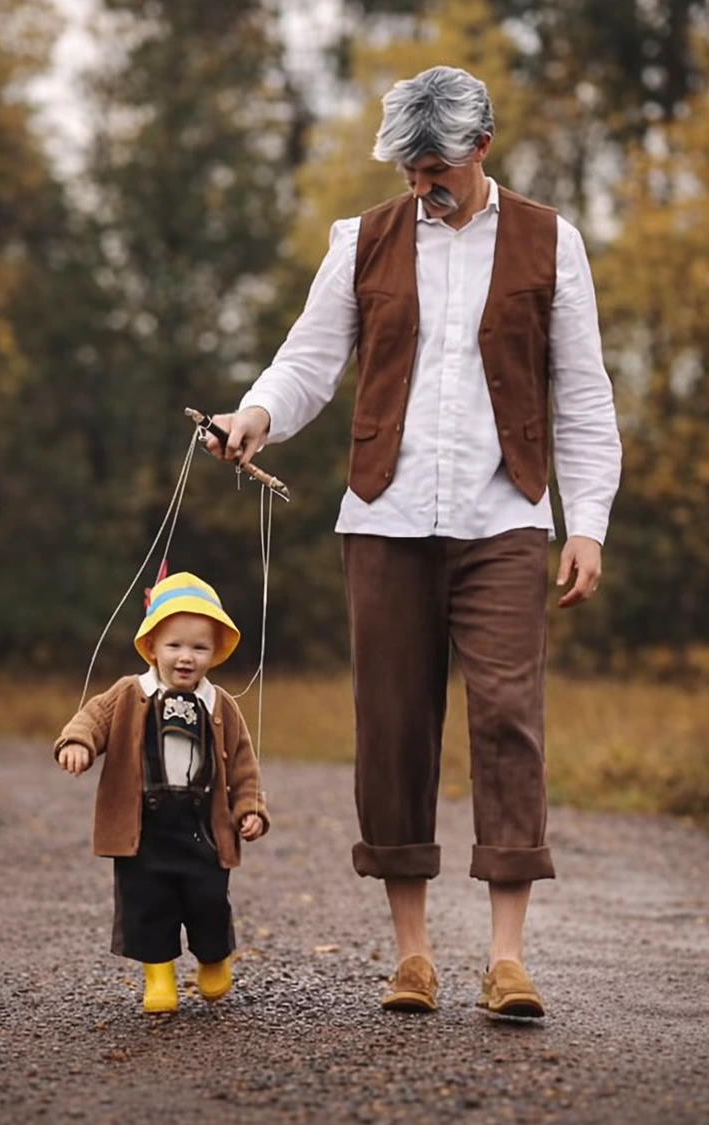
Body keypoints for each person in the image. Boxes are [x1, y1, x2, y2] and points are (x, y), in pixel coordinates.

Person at [207, 66, 621, 1017]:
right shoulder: (360, 240)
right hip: (384, 518)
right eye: (405, 166)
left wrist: (587, 521)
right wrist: (257, 412)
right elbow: (310, 359)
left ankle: (507, 958)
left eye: (433, 164)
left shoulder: (553, 240)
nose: (418, 182)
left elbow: (585, 392)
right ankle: (413, 955)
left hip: (507, 518)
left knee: (509, 722)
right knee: (393, 730)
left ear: (483, 147)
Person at [54, 571, 269, 1013]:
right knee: (147, 905)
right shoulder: (128, 693)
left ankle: (213, 958)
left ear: (215, 654)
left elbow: (244, 765)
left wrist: (249, 808)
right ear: (152, 647)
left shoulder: (220, 705)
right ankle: (159, 979)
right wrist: (77, 742)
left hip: (202, 827)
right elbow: (91, 719)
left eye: (199, 647)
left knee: (209, 899)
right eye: (174, 646)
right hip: (144, 826)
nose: (185, 657)